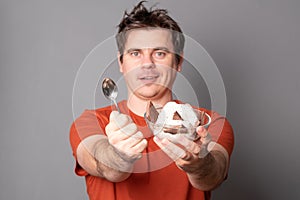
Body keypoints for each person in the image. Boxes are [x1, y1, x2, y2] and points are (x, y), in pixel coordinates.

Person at [70, 1, 234, 200]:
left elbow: (212, 176)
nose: (147, 64)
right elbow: (104, 165)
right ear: (121, 62)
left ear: (178, 62)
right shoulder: (91, 122)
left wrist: (198, 164)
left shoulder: (209, 123)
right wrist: (119, 156)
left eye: (159, 53)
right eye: (135, 53)